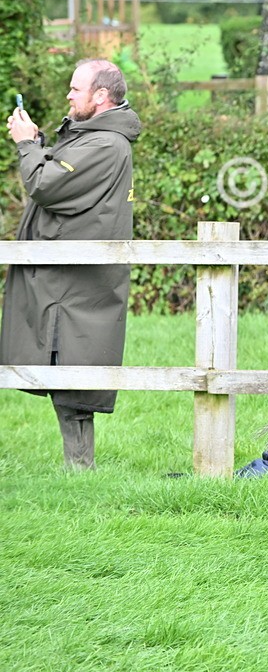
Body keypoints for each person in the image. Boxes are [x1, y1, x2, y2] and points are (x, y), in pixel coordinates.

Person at [2, 59, 140, 469]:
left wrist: (28, 144)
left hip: (76, 283)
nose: (68, 95)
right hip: (68, 277)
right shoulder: (94, 137)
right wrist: (42, 141)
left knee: (74, 377)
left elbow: (45, 185)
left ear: (100, 96)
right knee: (68, 374)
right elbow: (59, 175)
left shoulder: (105, 144)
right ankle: (78, 474)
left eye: (75, 89)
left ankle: (80, 473)